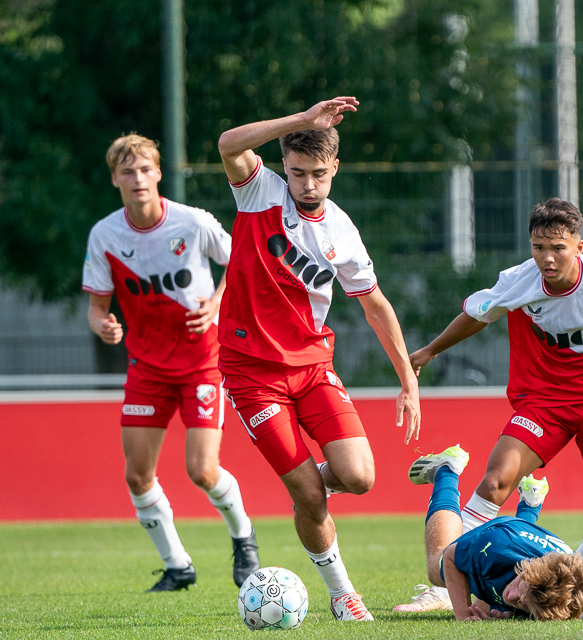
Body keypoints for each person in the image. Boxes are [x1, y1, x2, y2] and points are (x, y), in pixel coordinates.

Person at [402, 198, 583, 610]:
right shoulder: (519, 280)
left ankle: (556, 584)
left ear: (579, 247)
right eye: (538, 247)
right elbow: (479, 315)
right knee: (495, 482)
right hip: (545, 401)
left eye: (558, 248)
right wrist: (430, 351)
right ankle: (445, 587)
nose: (547, 258)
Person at [216, 97, 421, 622]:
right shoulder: (259, 191)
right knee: (310, 493)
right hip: (251, 372)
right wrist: (302, 121)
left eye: (318, 174)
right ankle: (341, 592)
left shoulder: (344, 233)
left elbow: (376, 306)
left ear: (335, 169)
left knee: (358, 477)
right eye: (298, 172)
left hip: (311, 369)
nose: (307, 184)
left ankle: (303, 484)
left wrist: (408, 380)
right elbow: (228, 143)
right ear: (285, 166)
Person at [82, 134, 260, 592]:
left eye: (145, 169)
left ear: (158, 173)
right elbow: (98, 307)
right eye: (127, 171)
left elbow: (239, 261)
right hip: (147, 367)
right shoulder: (105, 235)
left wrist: (217, 304)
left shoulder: (192, 222)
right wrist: (103, 324)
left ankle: (244, 537)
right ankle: (178, 566)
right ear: (115, 179)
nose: (137, 178)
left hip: (202, 362)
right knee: (137, 474)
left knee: (201, 470)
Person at [398, 445, 583, 620]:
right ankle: (446, 471)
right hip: (505, 534)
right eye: (520, 585)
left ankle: (530, 504)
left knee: (498, 594)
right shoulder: (497, 546)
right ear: (531, 567)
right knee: (438, 569)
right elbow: (451, 556)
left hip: (528, 542)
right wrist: (462, 613)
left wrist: (511, 612)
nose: (513, 595)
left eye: (523, 604)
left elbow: (525, 595)